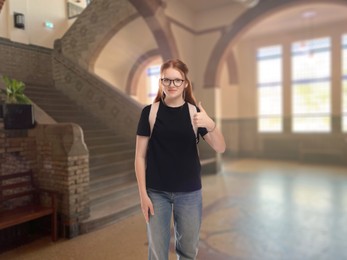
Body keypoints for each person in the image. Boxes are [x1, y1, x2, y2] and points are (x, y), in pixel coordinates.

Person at [134, 58, 226, 260]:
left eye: (177, 80)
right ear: (161, 83)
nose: (172, 85)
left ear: (185, 83)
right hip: (156, 192)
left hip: (190, 192)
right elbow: (140, 157)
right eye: (167, 80)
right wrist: (143, 194)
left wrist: (210, 123)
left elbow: (220, 147)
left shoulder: (195, 114)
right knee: (157, 252)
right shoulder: (149, 113)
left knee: (188, 251)